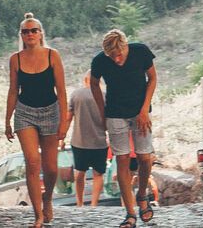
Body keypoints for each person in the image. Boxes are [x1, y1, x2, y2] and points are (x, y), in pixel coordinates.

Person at [5, 14, 70, 228]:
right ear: (22, 36)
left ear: (41, 33)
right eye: (26, 31)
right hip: (25, 113)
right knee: (33, 162)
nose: (30, 34)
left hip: (51, 111)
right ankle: (38, 215)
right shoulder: (15, 59)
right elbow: (13, 90)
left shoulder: (53, 55)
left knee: (51, 168)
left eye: (34, 30)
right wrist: (7, 120)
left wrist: (64, 122)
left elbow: (61, 91)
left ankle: (48, 198)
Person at [90, 28, 157, 228]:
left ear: (125, 46)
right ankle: (130, 214)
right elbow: (94, 84)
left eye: (119, 54)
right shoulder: (100, 61)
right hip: (115, 114)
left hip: (140, 112)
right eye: (112, 56)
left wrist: (145, 109)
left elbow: (152, 78)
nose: (117, 60)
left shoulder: (141, 51)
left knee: (145, 158)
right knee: (122, 161)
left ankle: (142, 194)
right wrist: (102, 113)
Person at [67, 71, 108, 207]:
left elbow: (68, 117)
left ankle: (79, 203)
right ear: (99, 81)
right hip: (99, 142)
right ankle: (94, 204)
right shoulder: (105, 96)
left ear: (85, 80)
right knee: (98, 174)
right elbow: (109, 120)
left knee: (80, 173)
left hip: (79, 141)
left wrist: (61, 136)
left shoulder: (76, 94)